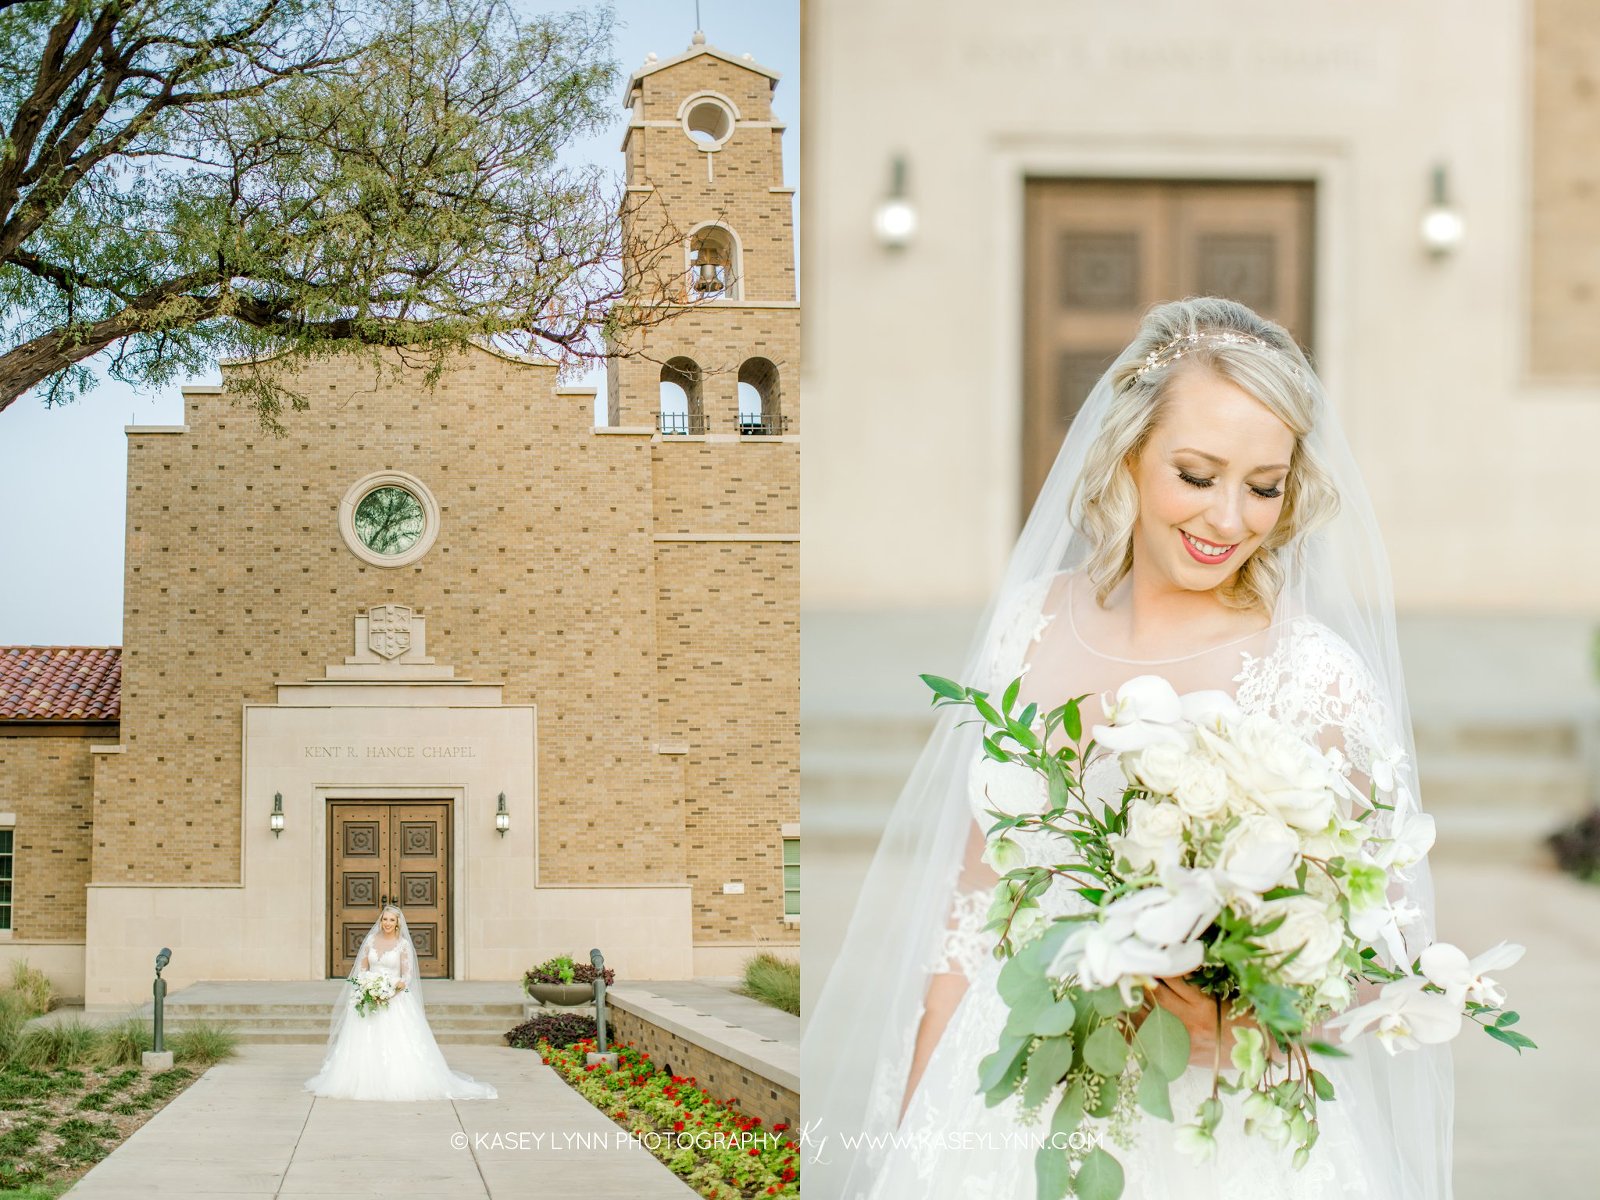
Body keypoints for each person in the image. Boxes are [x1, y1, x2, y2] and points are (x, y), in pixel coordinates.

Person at [802, 297, 1454, 1197]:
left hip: (1206, 1129)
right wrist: (920, 1119)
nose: (1229, 519)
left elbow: (1386, 957)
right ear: (1130, 451)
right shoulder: (1031, 620)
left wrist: (1259, 1024)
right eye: (1197, 473)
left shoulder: (1314, 676)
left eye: (1264, 486)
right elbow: (969, 909)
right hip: (999, 1094)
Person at [305, 904, 498, 1101]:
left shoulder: (403, 945)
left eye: (391, 920)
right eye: (385, 919)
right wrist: (367, 987)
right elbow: (362, 969)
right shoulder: (371, 940)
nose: (387, 923)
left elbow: (407, 976)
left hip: (394, 999)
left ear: (397, 924)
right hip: (369, 997)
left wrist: (388, 992)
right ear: (380, 921)